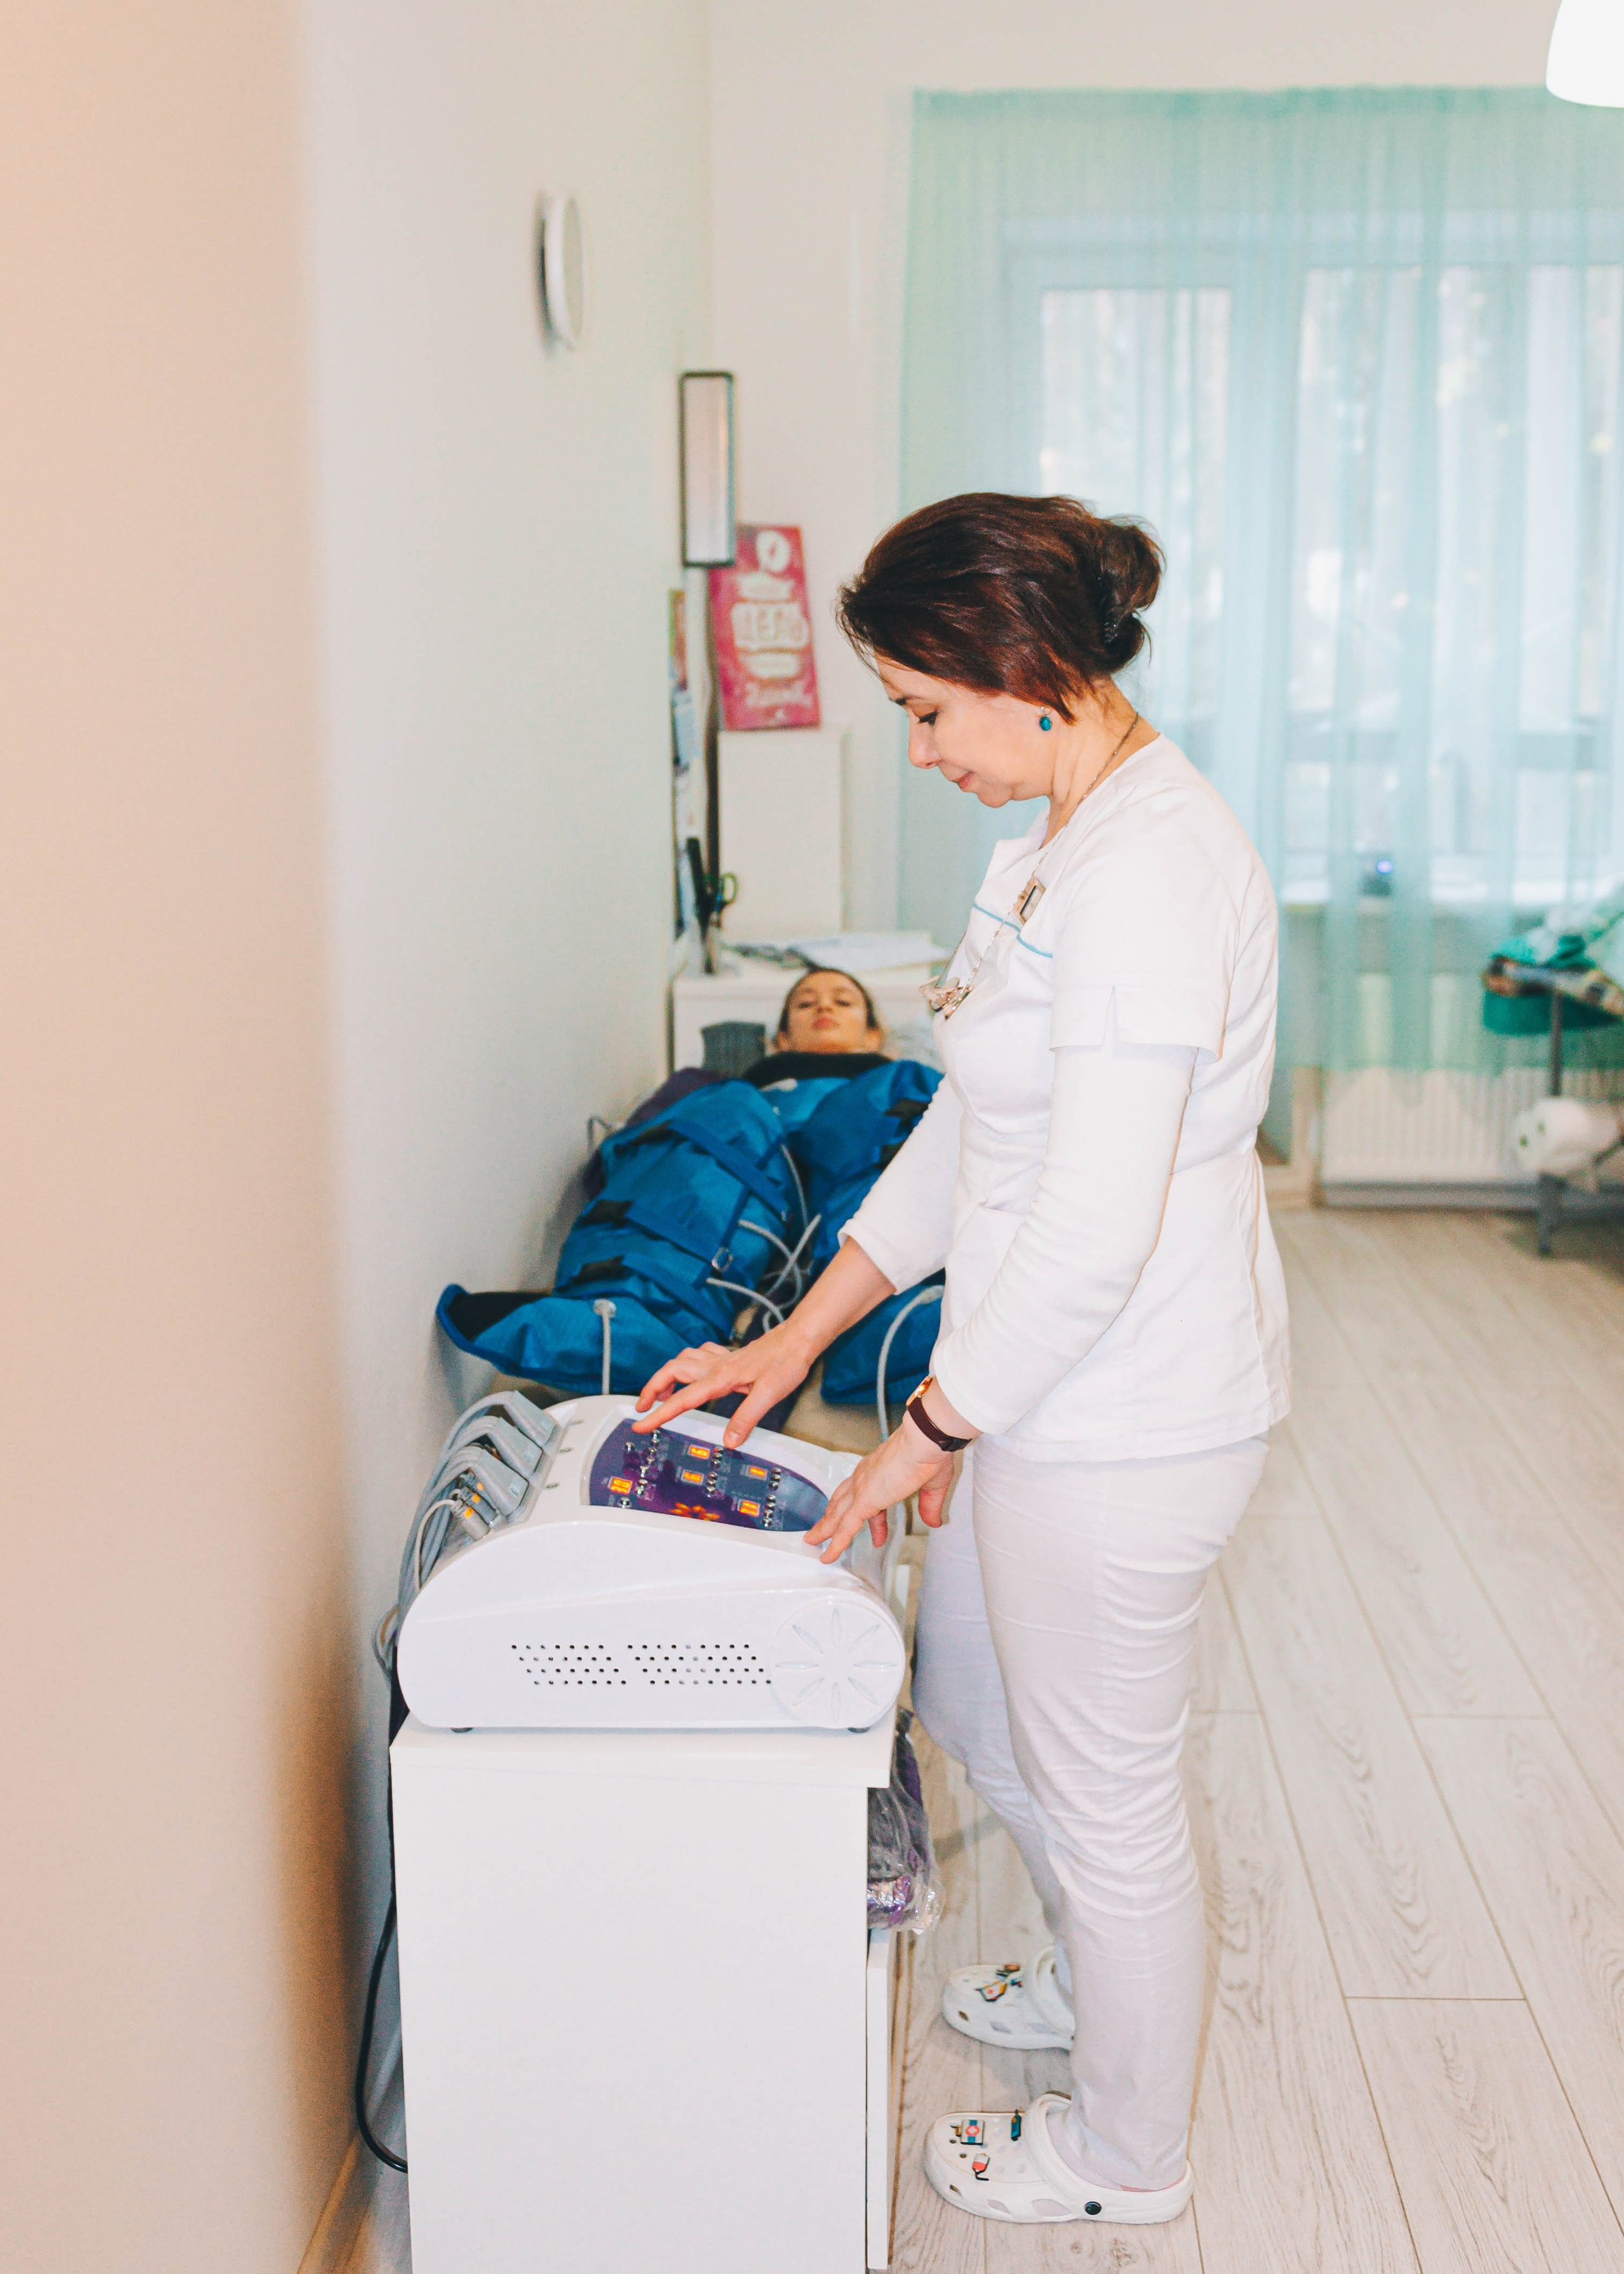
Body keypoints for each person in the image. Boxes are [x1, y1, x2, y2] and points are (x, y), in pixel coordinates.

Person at [635, 490, 1288, 2230]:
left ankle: (1127, 2159)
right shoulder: (1055, 838)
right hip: (1032, 1390)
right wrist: (790, 1343)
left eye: (927, 711)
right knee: (989, 1716)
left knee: (1105, 1794)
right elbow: (968, 1138)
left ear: (1022, 666)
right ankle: (1097, 1985)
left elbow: (1093, 1224)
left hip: (1128, 1413)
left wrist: (922, 1431)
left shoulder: (1151, 873)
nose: (921, 751)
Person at [739, 966, 890, 1088]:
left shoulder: (893, 1078)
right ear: (784, 1040)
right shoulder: (759, 1078)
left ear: (872, 1037)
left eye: (843, 1002)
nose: (824, 1006)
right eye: (806, 1004)